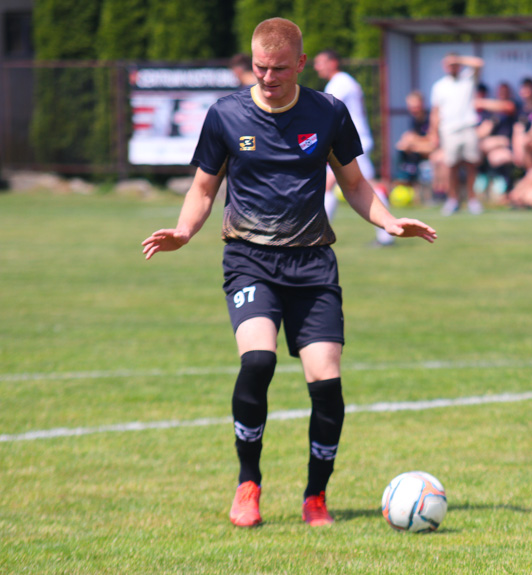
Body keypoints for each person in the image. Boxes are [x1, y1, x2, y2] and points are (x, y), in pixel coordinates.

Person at [142, 17, 437, 529]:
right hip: (249, 258)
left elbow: (355, 184)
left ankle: (315, 497)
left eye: (279, 68)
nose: (268, 77)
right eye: (260, 67)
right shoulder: (226, 114)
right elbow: (204, 189)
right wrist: (185, 230)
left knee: (326, 382)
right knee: (257, 362)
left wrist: (389, 220)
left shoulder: (327, 112)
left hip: (312, 264)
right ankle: (248, 483)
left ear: (301, 64)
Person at [314, 49, 394, 247]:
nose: (317, 67)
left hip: (350, 142)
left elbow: (327, 111)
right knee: (366, 185)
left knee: (334, 185)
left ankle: (318, 235)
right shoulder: (344, 81)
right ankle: (386, 234)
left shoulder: (340, 83)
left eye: (321, 62)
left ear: (333, 63)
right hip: (353, 141)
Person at [430, 53, 485, 216]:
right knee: (451, 166)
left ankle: (472, 200)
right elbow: (435, 111)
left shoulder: (467, 79)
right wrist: (434, 133)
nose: (452, 67)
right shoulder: (439, 86)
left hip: (468, 127)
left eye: (455, 64)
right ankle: (452, 199)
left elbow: (479, 63)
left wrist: (459, 59)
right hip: (449, 130)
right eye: (449, 64)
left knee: (470, 165)